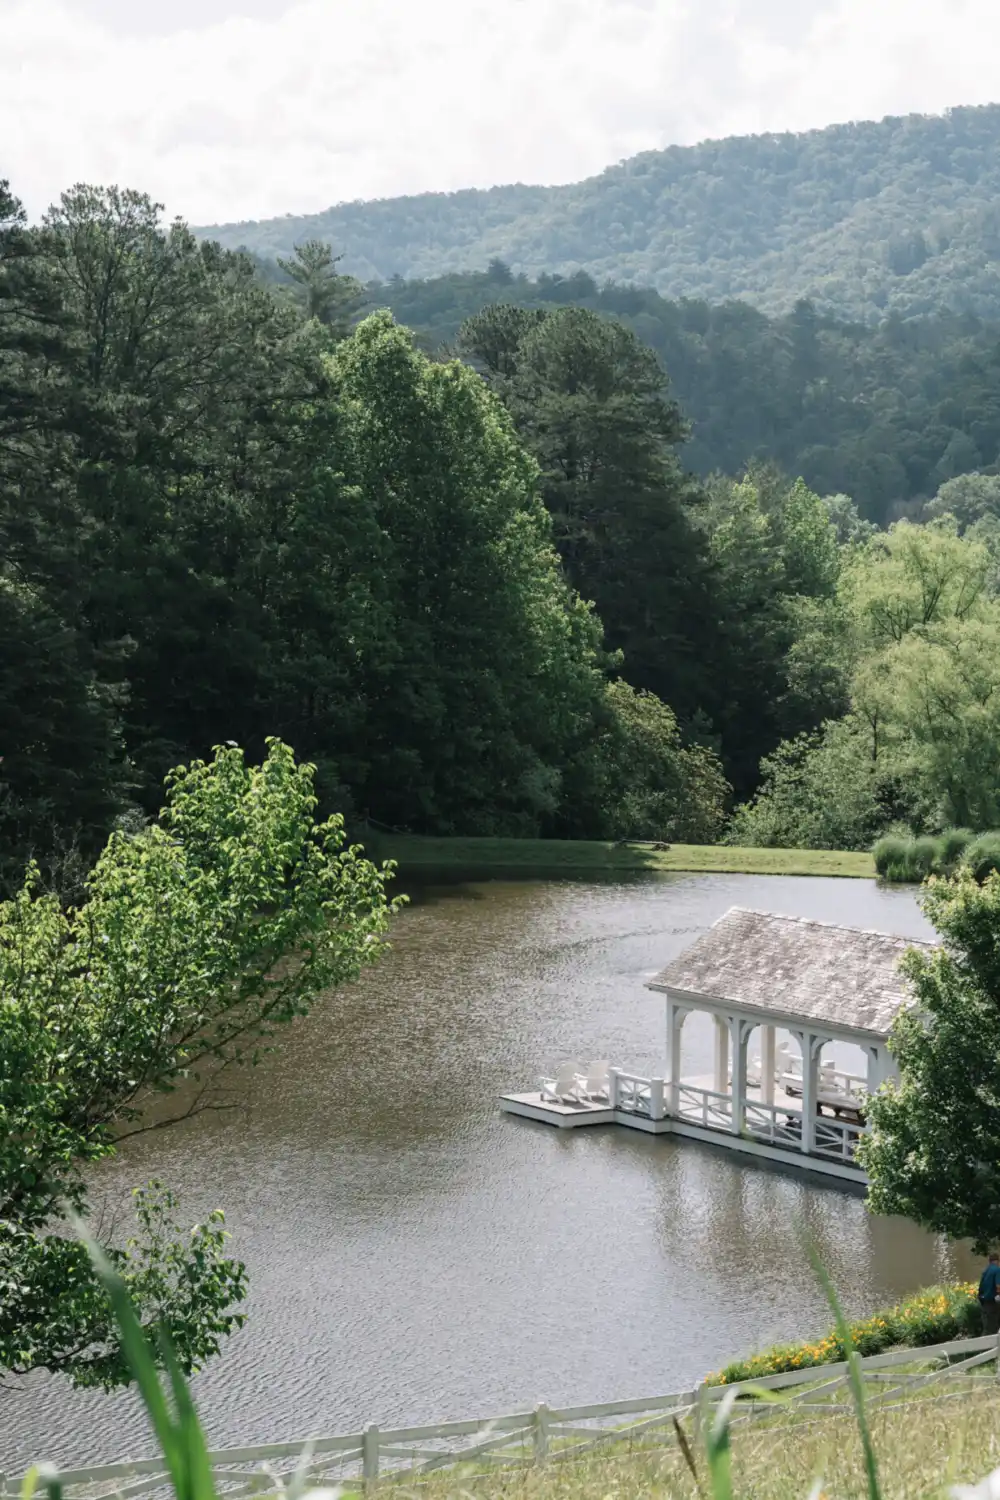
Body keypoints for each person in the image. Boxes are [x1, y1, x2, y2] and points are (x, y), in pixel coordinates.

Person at [978, 1253, 1000, 1335]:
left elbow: (980, 1288)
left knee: (986, 1327)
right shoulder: (997, 1270)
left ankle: (982, 1345)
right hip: (992, 1302)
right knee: (993, 1326)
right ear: (997, 1261)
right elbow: (998, 1286)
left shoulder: (985, 1271)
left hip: (983, 1302)